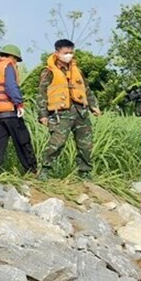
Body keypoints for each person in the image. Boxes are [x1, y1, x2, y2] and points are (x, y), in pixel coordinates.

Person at [37, 39, 100, 178]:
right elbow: (42, 94)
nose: (69, 55)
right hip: (61, 113)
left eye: (71, 52)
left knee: (86, 145)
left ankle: (85, 173)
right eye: (66, 53)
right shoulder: (48, 72)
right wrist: (43, 114)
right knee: (57, 143)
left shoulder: (77, 71)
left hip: (81, 112)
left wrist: (93, 105)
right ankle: (45, 170)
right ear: (57, 53)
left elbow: (87, 90)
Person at [0, 45, 37, 174]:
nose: (16, 63)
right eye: (16, 60)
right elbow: (11, 86)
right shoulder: (8, 66)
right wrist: (18, 103)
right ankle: (31, 170)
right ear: (13, 57)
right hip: (9, 111)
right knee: (22, 141)